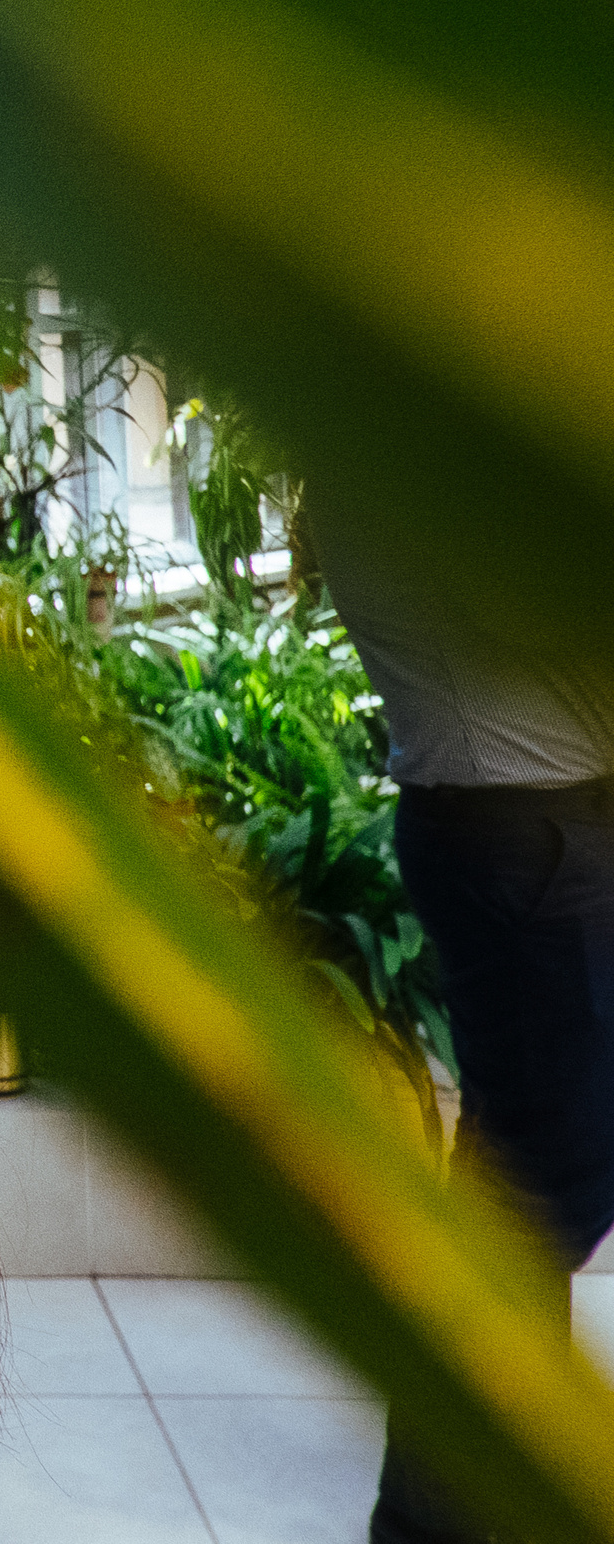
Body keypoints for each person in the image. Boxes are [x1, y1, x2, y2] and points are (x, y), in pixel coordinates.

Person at [306, 506, 614, 1544]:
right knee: (530, 1206)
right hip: (525, 838)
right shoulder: (398, 473)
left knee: (526, 1186)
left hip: (531, 829)